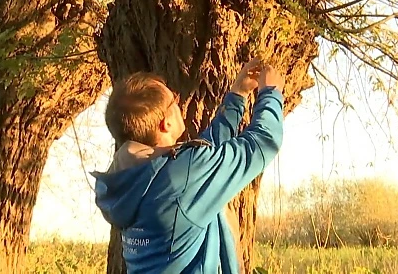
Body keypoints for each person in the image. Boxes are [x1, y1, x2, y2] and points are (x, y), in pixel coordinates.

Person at [93, 58, 285, 273]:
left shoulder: (128, 178)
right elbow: (262, 143)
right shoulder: (182, 176)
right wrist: (271, 93)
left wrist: (237, 96)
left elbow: (204, 159)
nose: (178, 102)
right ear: (165, 123)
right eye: (173, 100)